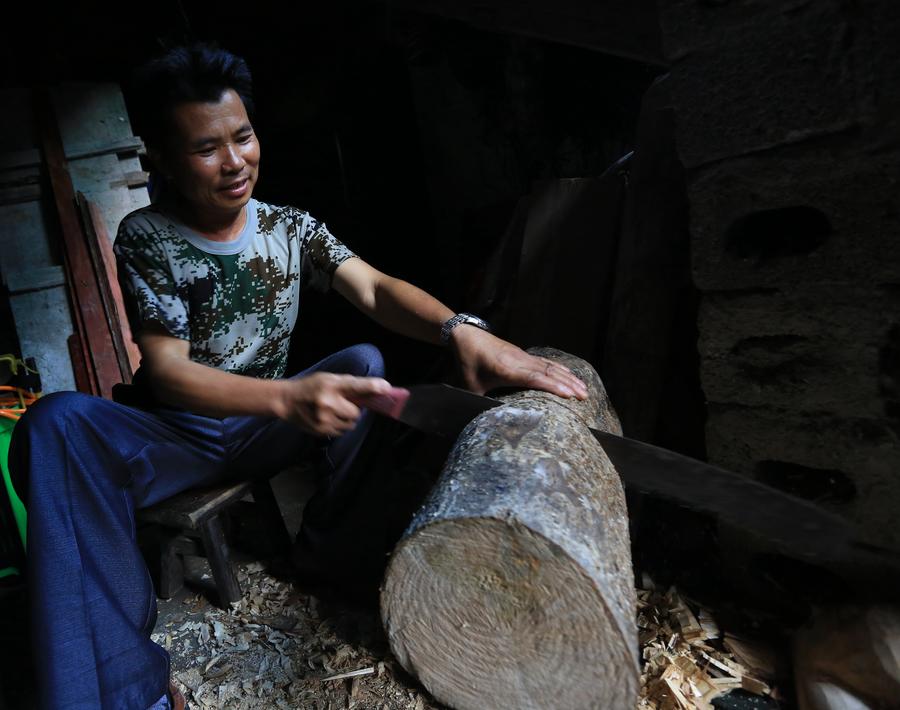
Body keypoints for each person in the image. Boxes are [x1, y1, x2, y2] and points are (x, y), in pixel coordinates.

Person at [9, 42, 587, 709]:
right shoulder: (148, 236)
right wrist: (288, 395)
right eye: (205, 149)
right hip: (180, 434)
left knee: (365, 368)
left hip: (261, 428)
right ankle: (120, 687)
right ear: (163, 159)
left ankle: (328, 554)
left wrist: (462, 328)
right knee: (53, 423)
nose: (234, 163)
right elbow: (167, 372)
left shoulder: (290, 227)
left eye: (243, 137)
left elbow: (373, 289)